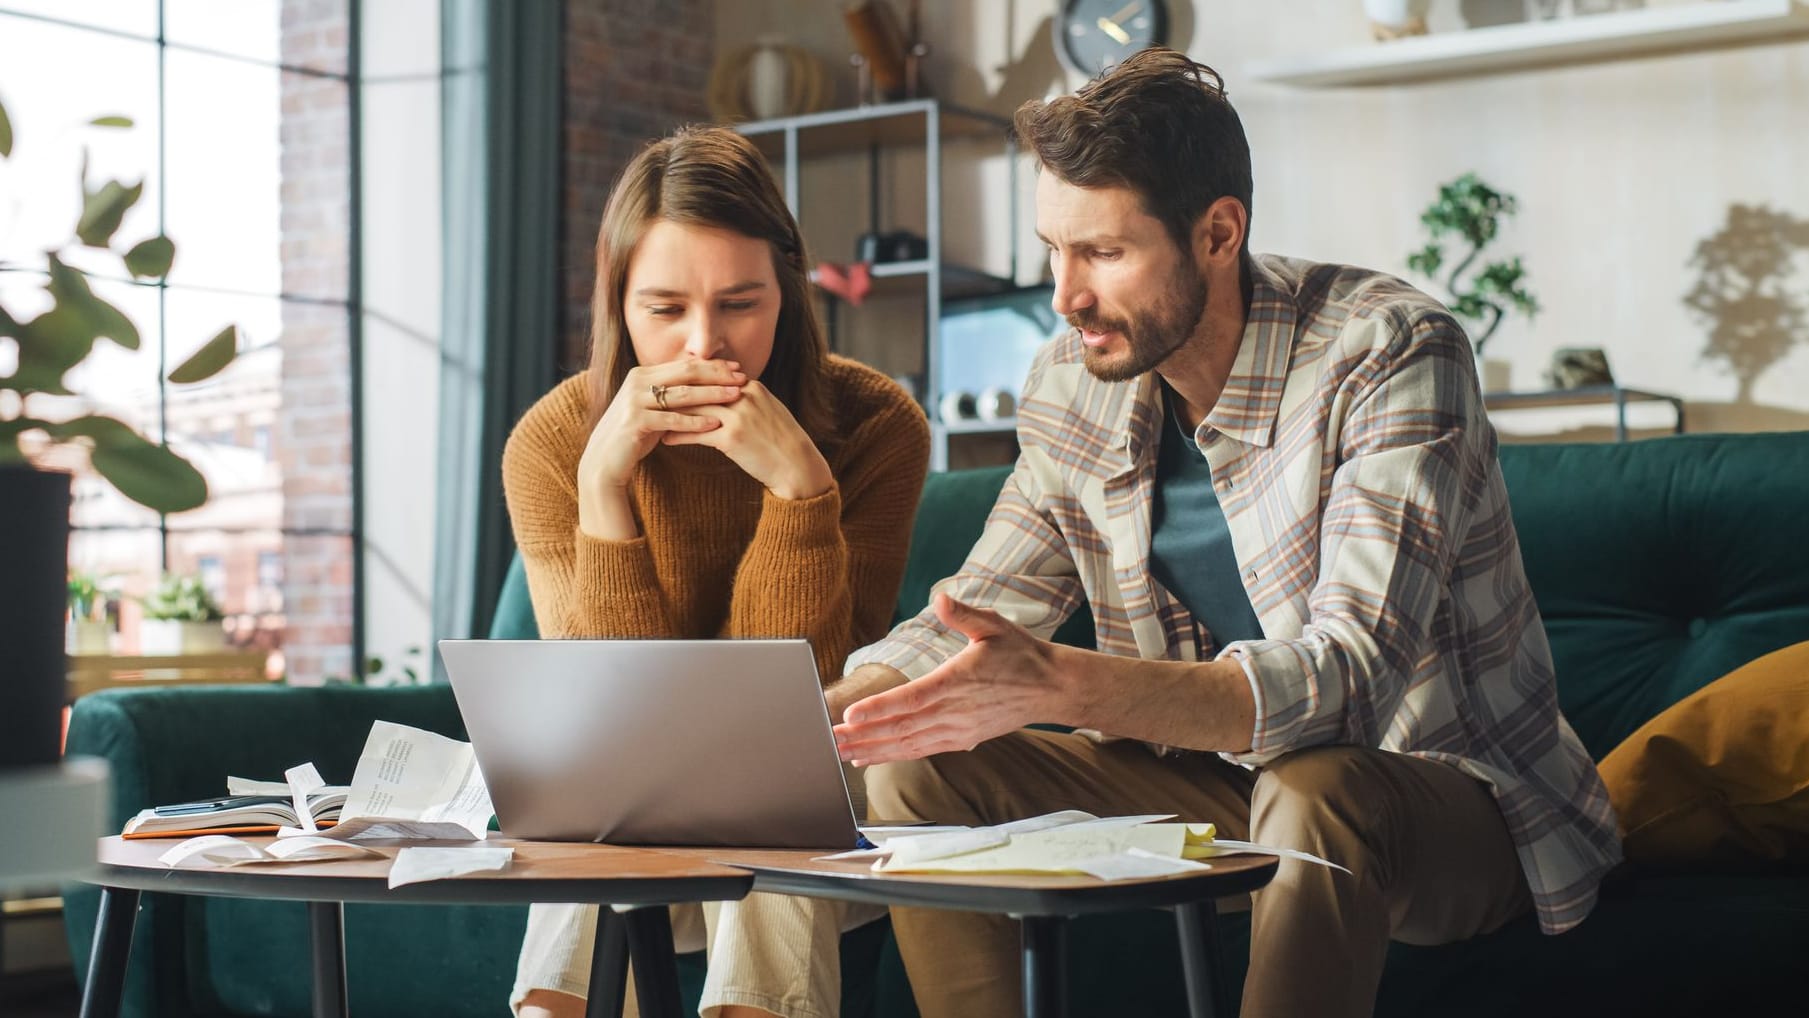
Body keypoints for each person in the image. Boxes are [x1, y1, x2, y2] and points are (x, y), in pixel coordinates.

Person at [826, 49, 1622, 1018]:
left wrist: (1067, 683)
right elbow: (980, 605)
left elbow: (1352, 681)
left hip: (1444, 794)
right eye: (1052, 248)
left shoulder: (1392, 352)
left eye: (1104, 253)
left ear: (1217, 231)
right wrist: (841, 713)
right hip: (1214, 787)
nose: (1064, 294)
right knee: (913, 762)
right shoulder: (1072, 381)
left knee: (1314, 789)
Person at [505, 125, 928, 1018]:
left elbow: (809, 691)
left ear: (789, 293)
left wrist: (801, 486)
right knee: (588, 791)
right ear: (618, 305)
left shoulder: (877, 424)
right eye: (664, 310)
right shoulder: (552, 442)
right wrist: (602, 483)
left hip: (818, 789)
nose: (707, 346)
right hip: (631, 797)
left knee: (770, 770)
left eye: (742, 303)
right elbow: (606, 707)